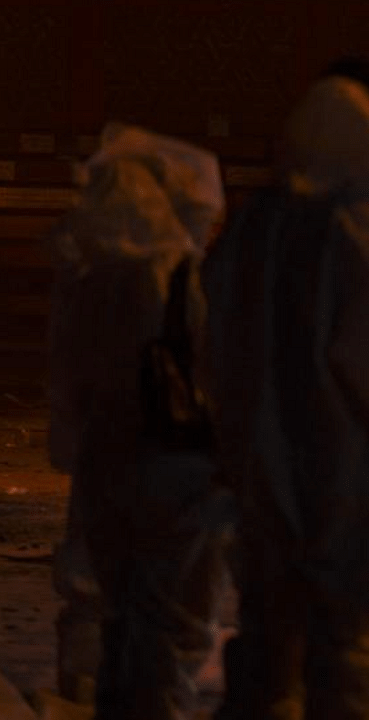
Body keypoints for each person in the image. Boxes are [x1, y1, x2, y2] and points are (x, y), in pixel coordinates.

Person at [202, 61, 369, 719]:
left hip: (260, 471)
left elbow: (217, 346)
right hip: (348, 475)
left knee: (265, 645)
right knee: (346, 652)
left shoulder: (252, 228)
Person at [47, 124, 232, 718]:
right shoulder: (174, 275)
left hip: (104, 455)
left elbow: (68, 378)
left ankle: (91, 695)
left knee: (110, 605)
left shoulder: (89, 273)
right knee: (170, 615)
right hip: (173, 462)